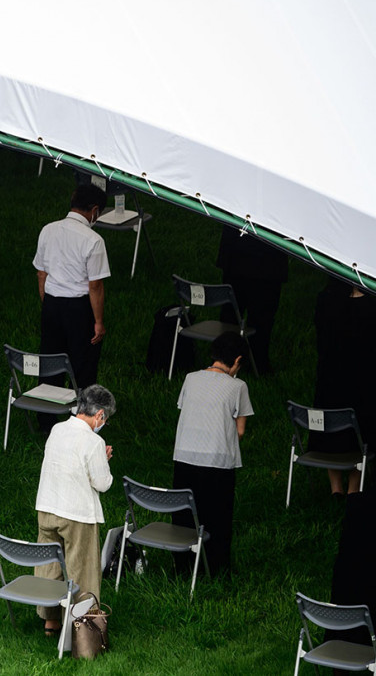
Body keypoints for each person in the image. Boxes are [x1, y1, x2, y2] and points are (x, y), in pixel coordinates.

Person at [34, 384, 116, 634]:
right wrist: (104, 459)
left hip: (47, 506)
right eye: (106, 418)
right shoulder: (94, 441)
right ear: (100, 415)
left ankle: (51, 622)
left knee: (50, 568)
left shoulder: (57, 429)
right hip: (77, 513)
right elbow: (102, 483)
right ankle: (83, 629)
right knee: (82, 571)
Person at [171, 331, 253, 574]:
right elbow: (240, 431)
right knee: (217, 517)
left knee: (185, 515)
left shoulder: (190, 378)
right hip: (218, 460)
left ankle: (182, 566)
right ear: (237, 360)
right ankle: (216, 568)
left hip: (185, 456)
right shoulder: (238, 386)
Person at [33, 184, 110, 429]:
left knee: (51, 359)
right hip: (79, 308)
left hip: (52, 304)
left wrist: (47, 302)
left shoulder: (48, 229)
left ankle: (45, 418)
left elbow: (41, 273)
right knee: (83, 364)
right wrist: (98, 321)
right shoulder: (94, 240)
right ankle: (82, 420)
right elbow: (95, 285)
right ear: (95, 210)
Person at [312, 277, 376, 496]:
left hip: (331, 376)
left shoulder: (325, 299)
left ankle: (335, 487)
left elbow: (320, 337)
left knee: (333, 425)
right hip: (365, 380)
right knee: (361, 430)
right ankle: (353, 488)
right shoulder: (371, 305)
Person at [216, 226, 287, 375]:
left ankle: (239, 361)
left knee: (251, 315)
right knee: (242, 315)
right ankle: (246, 362)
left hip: (257, 255)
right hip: (254, 255)